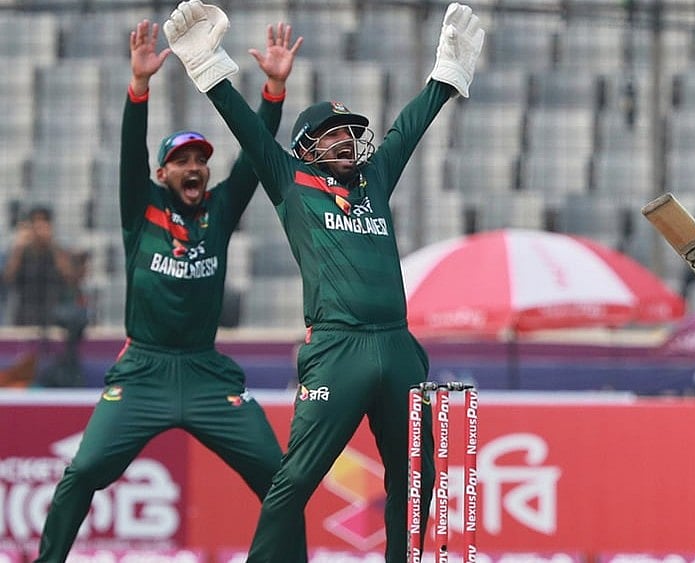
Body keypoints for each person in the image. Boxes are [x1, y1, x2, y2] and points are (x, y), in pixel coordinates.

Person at [162, 1, 484, 560]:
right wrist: (208, 68)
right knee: (294, 483)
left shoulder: (374, 177)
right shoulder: (290, 179)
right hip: (337, 348)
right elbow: (246, 128)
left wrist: (445, 78)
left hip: (398, 344)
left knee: (417, 477)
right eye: (332, 135)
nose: (346, 141)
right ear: (307, 146)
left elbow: (407, 129)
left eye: (351, 133)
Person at [33, 19, 307, 562]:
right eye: (182, 160)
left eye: (201, 160)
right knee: (83, 470)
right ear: (164, 172)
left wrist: (273, 92)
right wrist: (139, 88)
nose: (195, 167)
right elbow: (129, 154)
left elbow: (255, 158)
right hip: (145, 372)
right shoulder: (142, 209)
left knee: (283, 481)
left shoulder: (221, 211)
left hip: (207, 373)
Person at [2, 206, 76, 327]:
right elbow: (7, 278)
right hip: (24, 317)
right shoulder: (21, 253)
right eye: (36, 226)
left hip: (53, 318)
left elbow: (70, 279)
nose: (40, 231)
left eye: (44, 225)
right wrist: (19, 247)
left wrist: (51, 243)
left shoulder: (58, 252)